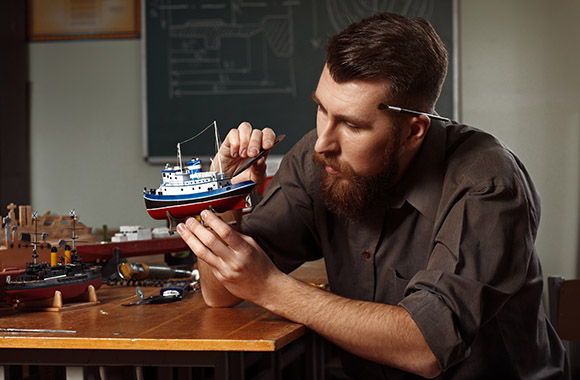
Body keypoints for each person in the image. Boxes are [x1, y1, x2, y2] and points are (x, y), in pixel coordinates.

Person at [177, 12, 569, 379]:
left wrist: (270, 287)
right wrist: (225, 198)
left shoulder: (487, 183)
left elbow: (425, 347)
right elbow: (220, 293)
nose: (323, 142)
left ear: (414, 130)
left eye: (351, 124)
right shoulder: (321, 157)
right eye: (322, 110)